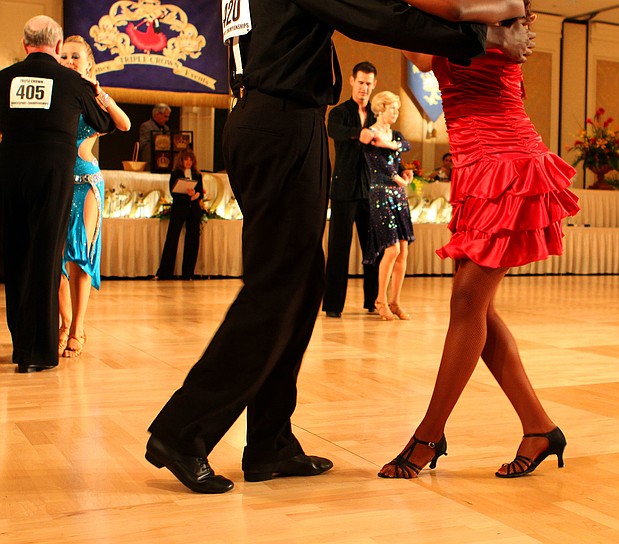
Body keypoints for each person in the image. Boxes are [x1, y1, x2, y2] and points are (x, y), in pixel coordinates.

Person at [145, 0, 534, 494]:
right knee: (278, 285)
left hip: (277, 120)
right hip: (280, 123)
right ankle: (182, 431)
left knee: (302, 283)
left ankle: (270, 441)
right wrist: (488, 38)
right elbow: (377, 16)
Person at [379, 0, 579, 479]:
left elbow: (454, 9)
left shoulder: (502, 3)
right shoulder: (456, 22)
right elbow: (421, 52)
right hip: (476, 167)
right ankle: (539, 427)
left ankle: (428, 435)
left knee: (468, 302)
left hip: (508, 161)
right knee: (477, 308)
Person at [0, 16, 114, 373]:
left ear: (25, 44)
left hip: (10, 175)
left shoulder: (4, 78)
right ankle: (41, 351)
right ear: (58, 45)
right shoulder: (70, 81)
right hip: (53, 177)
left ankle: (22, 345)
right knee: (48, 259)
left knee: (16, 257)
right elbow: (104, 123)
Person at [57, 35, 131, 358]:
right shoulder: (56, 92)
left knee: (80, 255)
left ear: (89, 64)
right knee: (56, 258)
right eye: (64, 56)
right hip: (58, 182)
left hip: (86, 183)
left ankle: (77, 329)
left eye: (76, 56)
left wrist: (102, 94)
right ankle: (64, 324)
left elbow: (124, 124)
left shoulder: (95, 97)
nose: (69, 61)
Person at [322, 61, 380, 318]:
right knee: (338, 249)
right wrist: (359, 134)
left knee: (373, 250)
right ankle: (333, 305)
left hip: (370, 191)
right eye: (360, 82)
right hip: (344, 190)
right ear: (351, 81)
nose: (364, 88)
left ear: (374, 85)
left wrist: (401, 170)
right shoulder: (340, 113)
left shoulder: (377, 116)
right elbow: (334, 130)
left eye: (368, 83)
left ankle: (373, 301)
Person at [362, 91, 415, 321]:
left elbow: (405, 146)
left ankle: (395, 302)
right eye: (393, 108)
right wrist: (396, 177)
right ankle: (380, 300)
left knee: (403, 249)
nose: (396, 112)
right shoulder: (371, 135)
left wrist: (404, 172)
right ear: (381, 109)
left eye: (397, 109)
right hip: (381, 193)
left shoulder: (395, 135)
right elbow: (379, 164)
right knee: (391, 249)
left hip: (398, 195)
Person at [155, 149, 204, 280]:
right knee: (172, 239)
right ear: (181, 160)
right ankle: (165, 273)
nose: (188, 162)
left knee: (193, 240)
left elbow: (201, 192)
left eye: (190, 159)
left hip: (193, 209)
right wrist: (188, 196)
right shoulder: (175, 174)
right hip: (179, 208)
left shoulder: (197, 175)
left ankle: (188, 273)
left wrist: (195, 195)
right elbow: (173, 193)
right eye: (186, 159)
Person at [138, 103, 170, 168]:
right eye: (165, 116)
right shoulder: (146, 126)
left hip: (165, 162)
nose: (167, 119)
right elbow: (144, 145)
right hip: (151, 162)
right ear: (157, 114)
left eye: (168, 117)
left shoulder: (166, 128)